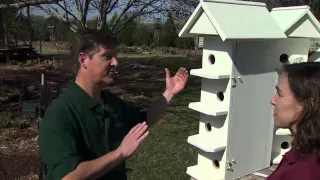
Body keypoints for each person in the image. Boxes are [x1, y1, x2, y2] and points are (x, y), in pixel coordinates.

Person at [38, 30, 189, 180]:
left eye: (115, 56)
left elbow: (144, 120)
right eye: (107, 56)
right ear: (84, 60)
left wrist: (169, 93)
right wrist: (120, 153)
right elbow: (68, 176)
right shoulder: (61, 113)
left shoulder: (111, 103)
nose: (116, 63)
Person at [267, 62, 320, 179]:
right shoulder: (303, 152)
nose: (272, 100)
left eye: (280, 94)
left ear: (308, 104)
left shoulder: (302, 171)